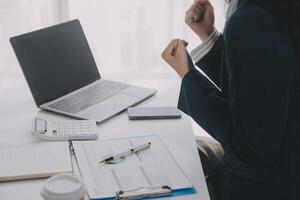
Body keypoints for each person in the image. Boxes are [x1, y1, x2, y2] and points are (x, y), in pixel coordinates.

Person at [161, 0, 300, 200]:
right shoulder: (278, 9)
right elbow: (263, 89)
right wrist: (208, 36)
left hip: (262, 185)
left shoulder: (252, 19)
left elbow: (252, 147)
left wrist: (188, 76)